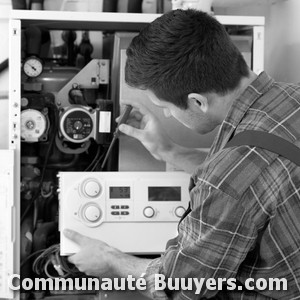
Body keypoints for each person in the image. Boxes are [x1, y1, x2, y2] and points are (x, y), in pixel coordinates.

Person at [64, 9, 300, 299]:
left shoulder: (227, 180)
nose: (166, 114)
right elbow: (257, 182)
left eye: (165, 107)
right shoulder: (292, 97)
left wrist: (110, 260)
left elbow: (181, 285)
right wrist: (168, 150)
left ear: (197, 102)